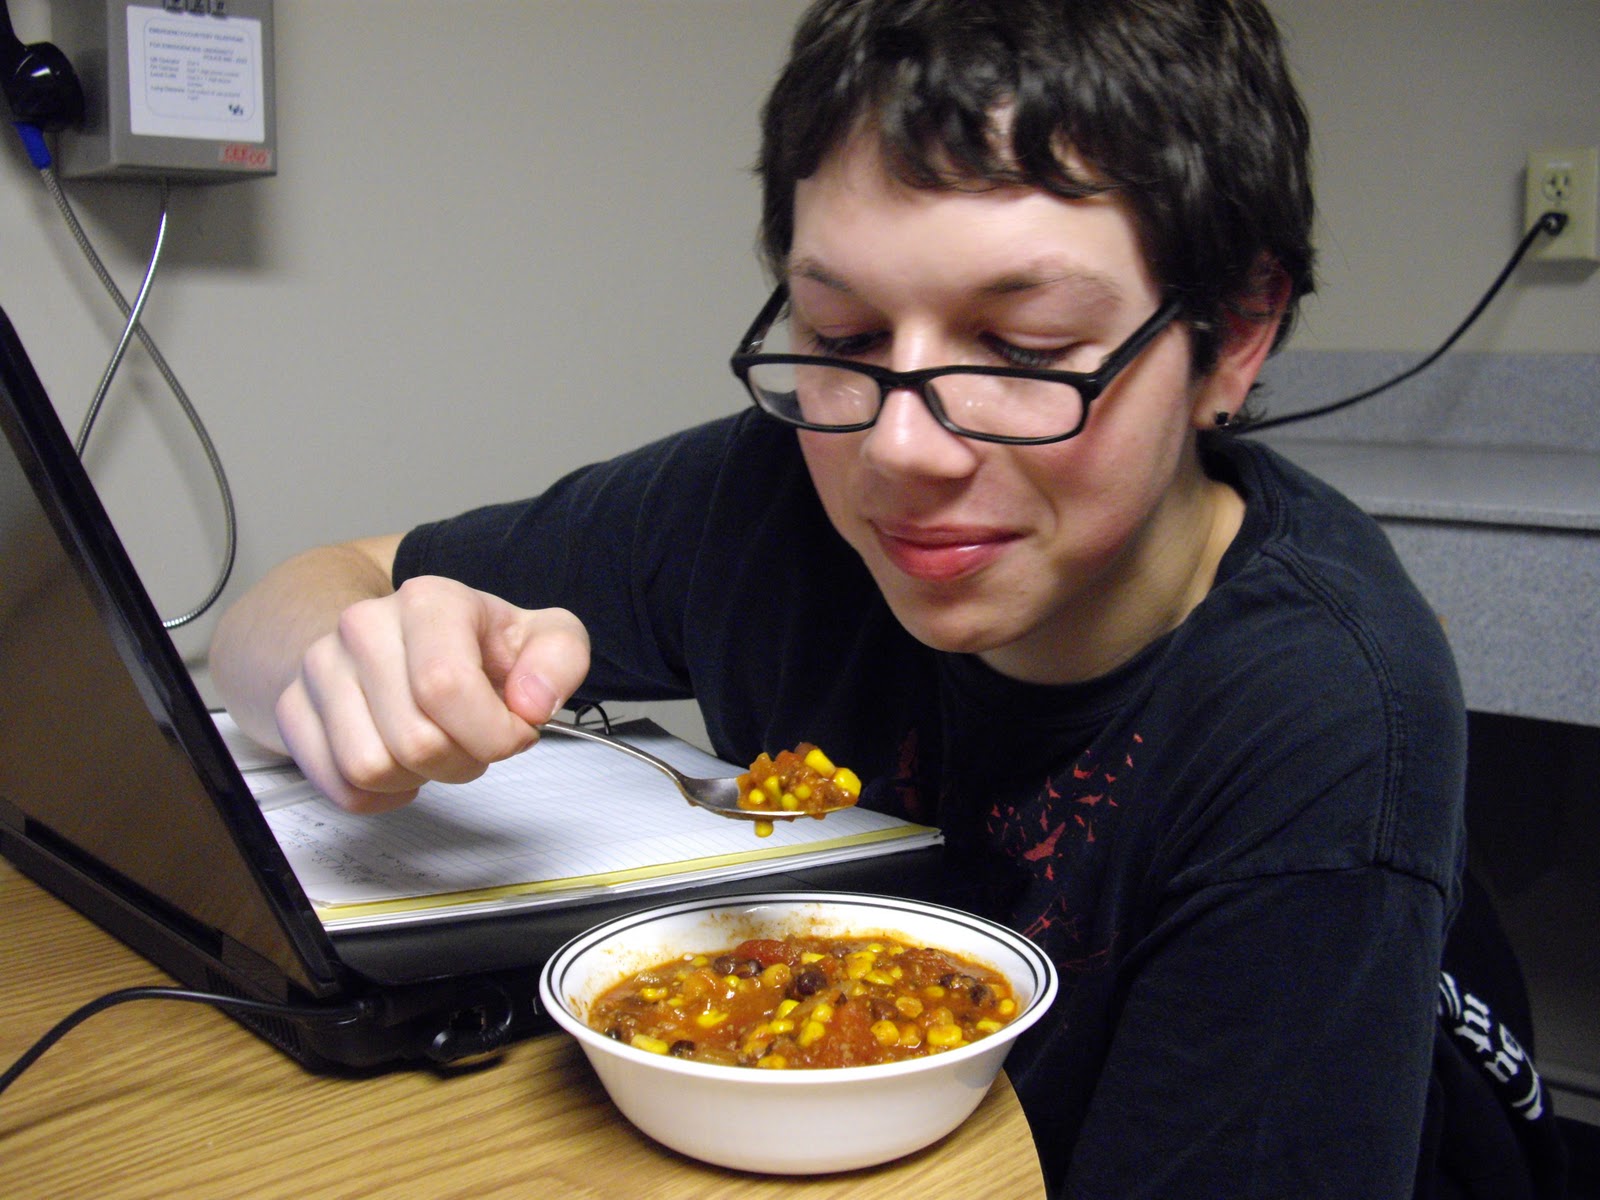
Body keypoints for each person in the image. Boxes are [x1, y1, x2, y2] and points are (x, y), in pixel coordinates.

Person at [211, 1, 1468, 1195]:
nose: (903, 452)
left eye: (1023, 352)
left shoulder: (1319, 716)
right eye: (844, 334)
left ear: (1233, 334)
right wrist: (358, 670)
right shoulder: (759, 502)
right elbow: (297, 596)